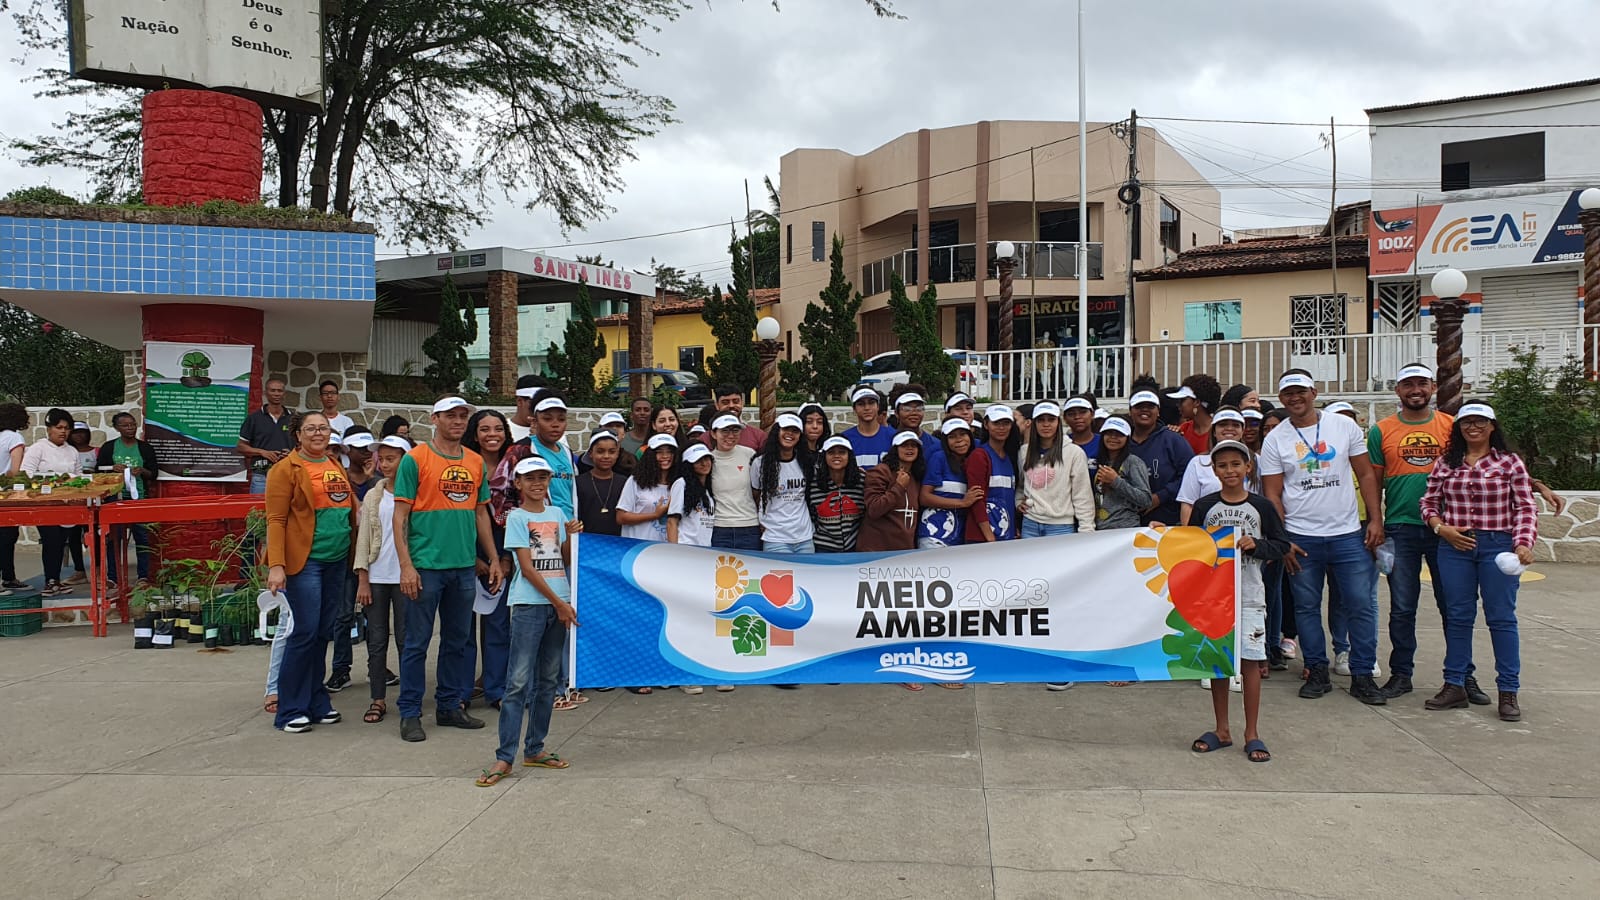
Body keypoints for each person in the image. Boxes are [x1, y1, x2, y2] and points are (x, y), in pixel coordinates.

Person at [1258, 370, 1386, 706]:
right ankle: (1316, 670)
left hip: (1347, 534)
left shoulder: (1343, 426)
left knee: (1360, 604)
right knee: (1306, 607)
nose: (1295, 398)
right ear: (1281, 398)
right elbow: (1272, 494)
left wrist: (1375, 519)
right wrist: (1282, 539)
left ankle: (1362, 674)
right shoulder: (1276, 439)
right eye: (1288, 393)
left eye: (1301, 391)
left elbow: (1365, 474)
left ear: (1314, 392)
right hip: (1302, 537)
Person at [392, 396, 503, 743]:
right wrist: (406, 566)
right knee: (417, 643)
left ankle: (449, 705)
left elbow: (481, 513)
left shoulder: (474, 461)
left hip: (463, 567)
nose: (457, 421)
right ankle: (410, 712)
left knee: (457, 641)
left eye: (462, 416)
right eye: (450, 415)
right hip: (426, 567)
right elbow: (400, 516)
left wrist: (493, 558)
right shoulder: (415, 459)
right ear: (435, 418)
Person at [1419, 402, 1537, 722]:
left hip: (1497, 545)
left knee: (1501, 618)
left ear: (1492, 426)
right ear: (1458, 428)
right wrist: (1441, 529)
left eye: (1480, 422)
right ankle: (1455, 684)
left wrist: (1523, 543)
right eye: (1467, 422)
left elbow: (1525, 507)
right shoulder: (1446, 463)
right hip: (1454, 545)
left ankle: (1508, 691)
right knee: (1458, 616)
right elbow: (1429, 503)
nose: (1473, 427)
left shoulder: (1509, 462)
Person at [475, 454, 579, 787]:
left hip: (558, 601)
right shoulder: (517, 518)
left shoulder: (557, 513)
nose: (537, 484)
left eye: (542, 478)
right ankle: (505, 756)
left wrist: (571, 537)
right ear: (518, 483)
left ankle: (535, 748)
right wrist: (559, 604)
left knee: (547, 680)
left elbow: (564, 558)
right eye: (530, 478)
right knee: (518, 682)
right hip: (530, 604)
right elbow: (527, 568)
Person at [1188, 440, 1290, 764]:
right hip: (1215, 599)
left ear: (1248, 467)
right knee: (1219, 660)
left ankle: (1252, 732)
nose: (1229, 471)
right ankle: (1222, 729)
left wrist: (1256, 545)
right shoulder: (1204, 506)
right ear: (1214, 470)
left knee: (1250, 662)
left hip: (1250, 596)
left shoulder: (1262, 507)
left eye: (1236, 464)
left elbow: (1281, 545)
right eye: (1222, 465)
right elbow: (1189, 547)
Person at [264, 411, 357, 733]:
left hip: (336, 559)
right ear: (298, 434)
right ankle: (290, 709)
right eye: (311, 429)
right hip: (306, 562)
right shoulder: (284, 469)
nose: (318, 433)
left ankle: (317, 700)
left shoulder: (333, 464)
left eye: (323, 428)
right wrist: (277, 566)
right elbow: (276, 520)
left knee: (322, 632)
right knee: (303, 632)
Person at [1366, 364, 1453, 700]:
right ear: (1397, 390)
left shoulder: (1451, 426)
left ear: (1433, 387)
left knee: (1453, 606)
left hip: (1447, 529)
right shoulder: (1381, 431)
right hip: (1400, 527)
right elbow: (1373, 480)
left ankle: (1460, 676)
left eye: (1421, 383)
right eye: (1408, 384)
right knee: (1402, 607)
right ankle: (1401, 674)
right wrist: (1376, 520)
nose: (1415, 390)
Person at [862, 431, 928, 691]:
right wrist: (898, 486)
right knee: (878, 614)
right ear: (895, 448)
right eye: (904, 445)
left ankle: (897, 663)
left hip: (904, 554)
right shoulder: (880, 473)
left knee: (901, 615)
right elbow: (874, 509)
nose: (909, 449)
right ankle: (878, 663)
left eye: (914, 445)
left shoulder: (916, 477)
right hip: (878, 553)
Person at [353, 434, 412, 724]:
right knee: (376, 641)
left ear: (405, 460)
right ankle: (377, 698)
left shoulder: (415, 493)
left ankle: (409, 698)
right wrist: (363, 579)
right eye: (382, 459)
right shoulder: (373, 495)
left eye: (391, 459)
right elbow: (363, 539)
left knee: (406, 639)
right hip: (377, 576)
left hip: (405, 576)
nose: (384, 464)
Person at [463, 409, 513, 710]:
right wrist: (472, 558)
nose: (492, 434)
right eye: (484, 429)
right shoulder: (464, 463)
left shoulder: (514, 465)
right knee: (463, 626)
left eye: (498, 428)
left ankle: (496, 689)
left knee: (498, 624)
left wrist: (505, 559)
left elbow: (520, 512)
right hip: (463, 547)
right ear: (474, 433)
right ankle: (460, 690)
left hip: (504, 547)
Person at [22, 408, 82, 597]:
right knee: (51, 541)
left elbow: (79, 475)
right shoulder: (38, 449)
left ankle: (55, 580)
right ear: (49, 428)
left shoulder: (72, 451)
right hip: (45, 504)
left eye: (67, 428)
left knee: (61, 541)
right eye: (59, 427)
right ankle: (50, 581)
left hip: (67, 505)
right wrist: (51, 482)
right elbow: (26, 473)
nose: (63, 431)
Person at [97, 412, 158, 589]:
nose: (130, 428)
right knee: (114, 539)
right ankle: (113, 577)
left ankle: (143, 577)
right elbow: (98, 470)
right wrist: (112, 468)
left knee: (142, 538)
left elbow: (154, 473)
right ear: (117, 428)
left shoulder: (145, 448)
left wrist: (142, 471)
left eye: (133, 424)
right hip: (114, 499)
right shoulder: (109, 448)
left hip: (139, 498)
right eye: (125, 425)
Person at [1017, 401, 1096, 539]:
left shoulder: (1074, 452)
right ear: (1034, 423)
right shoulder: (1024, 452)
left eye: (1051, 420)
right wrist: (1018, 501)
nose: (1046, 424)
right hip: (1030, 523)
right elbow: (1021, 485)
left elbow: (1082, 495)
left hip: (1061, 526)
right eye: (1041, 420)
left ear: (1058, 422)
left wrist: (1086, 530)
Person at [1126, 389, 1195, 527]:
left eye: (1150, 406)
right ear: (1130, 411)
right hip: (1127, 523)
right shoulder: (1122, 442)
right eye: (1139, 406)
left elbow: (1189, 475)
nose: (1145, 410)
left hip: (1168, 521)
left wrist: (1159, 498)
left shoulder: (1174, 440)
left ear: (1158, 411)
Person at [1176, 407, 1251, 525]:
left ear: (1242, 430)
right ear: (1214, 431)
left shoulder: (1257, 461)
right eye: (1223, 424)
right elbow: (1188, 504)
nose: (1229, 428)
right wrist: (1190, 533)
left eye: (1236, 425)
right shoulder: (1198, 462)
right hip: (1208, 534)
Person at [752, 413, 814, 553]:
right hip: (775, 538)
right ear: (777, 431)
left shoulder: (806, 462)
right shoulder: (759, 463)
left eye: (795, 431)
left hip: (805, 537)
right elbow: (755, 495)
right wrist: (760, 519)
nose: (790, 434)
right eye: (786, 429)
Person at [919, 419, 981, 548]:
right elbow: (924, 497)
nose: (959, 440)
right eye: (952, 437)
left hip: (959, 537)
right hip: (934, 535)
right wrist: (962, 503)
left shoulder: (974, 461)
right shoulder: (938, 458)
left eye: (963, 434)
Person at [966, 405, 1021, 543]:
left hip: (1005, 535)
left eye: (1006, 423)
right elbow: (977, 500)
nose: (1001, 428)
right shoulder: (980, 456)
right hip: (983, 539)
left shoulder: (1010, 457)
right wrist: (989, 537)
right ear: (986, 424)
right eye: (996, 423)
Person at [708, 415, 761, 551]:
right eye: (725, 431)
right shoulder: (707, 460)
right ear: (714, 433)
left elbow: (758, 488)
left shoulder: (749, 454)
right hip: (719, 528)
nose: (730, 436)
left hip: (749, 526)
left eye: (735, 431)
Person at [1092, 416, 1153, 530]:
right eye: (1109, 433)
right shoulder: (1099, 461)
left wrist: (1116, 481)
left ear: (1127, 438)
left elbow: (1146, 500)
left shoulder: (1133, 462)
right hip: (1099, 529)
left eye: (1119, 434)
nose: (1113, 437)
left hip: (1125, 529)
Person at [808, 435, 866, 554]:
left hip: (854, 547)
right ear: (824, 456)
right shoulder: (813, 482)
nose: (836, 456)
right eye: (831, 452)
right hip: (823, 548)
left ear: (849, 456)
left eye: (842, 452)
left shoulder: (862, 480)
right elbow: (811, 513)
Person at [238, 377, 295, 494]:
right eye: (273, 390)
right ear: (265, 393)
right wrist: (262, 452)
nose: (276, 394)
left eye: (280, 391)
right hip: (261, 475)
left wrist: (292, 454)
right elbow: (241, 447)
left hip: (287, 474)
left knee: (286, 506)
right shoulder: (254, 418)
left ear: (284, 394)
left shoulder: (293, 419)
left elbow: (303, 446)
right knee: (258, 506)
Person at [575, 431, 625, 538]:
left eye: (612, 452)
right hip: (587, 540)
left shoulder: (624, 482)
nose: (606, 456)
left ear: (617, 454)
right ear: (591, 453)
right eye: (600, 451)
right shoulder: (578, 482)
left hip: (619, 541)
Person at [0, 403, 27, 594]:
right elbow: (15, 471)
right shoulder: (14, 437)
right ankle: (8, 578)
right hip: (5, 494)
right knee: (7, 537)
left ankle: (9, 577)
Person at [1167, 374, 1221, 456]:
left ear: (1197, 402)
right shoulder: (1183, 429)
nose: (1178, 405)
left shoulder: (1219, 430)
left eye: (1182, 400)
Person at [841, 387, 894, 469]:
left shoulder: (893, 436)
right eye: (861, 404)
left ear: (878, 407)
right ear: (854, 409)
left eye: (871, 403)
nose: (867, 408)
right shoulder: (845, 439)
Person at [889, 387, 941, 460]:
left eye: (919, 409)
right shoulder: (887, 440)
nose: (914, 413)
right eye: (907, 409)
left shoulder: (936, 445)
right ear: (896, 413)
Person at [711, 384, 767, 450]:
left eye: (736, 401)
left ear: (742, 403)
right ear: (717, 405)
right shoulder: (706, 438)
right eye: (725, 402)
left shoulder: (758, 436)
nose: (731, 405)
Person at [797, 402, 832, 476]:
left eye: (819, 422)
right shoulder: (793, 454)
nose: (815, 426)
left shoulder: (826, 453)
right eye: (809, 422)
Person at [507, 378, 545, 443]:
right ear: (519, 401)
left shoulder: (553, 431)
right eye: (534, 402)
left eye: (542, 402)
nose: (538, 408)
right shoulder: (501, 430)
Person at [1062, 395, 1100, 460]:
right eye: (1071, 414)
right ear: (1065, 418)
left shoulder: (1104, 443)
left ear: (1092, 414)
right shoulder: (1061, 444)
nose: (1077, 417)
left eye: (1083, 412)